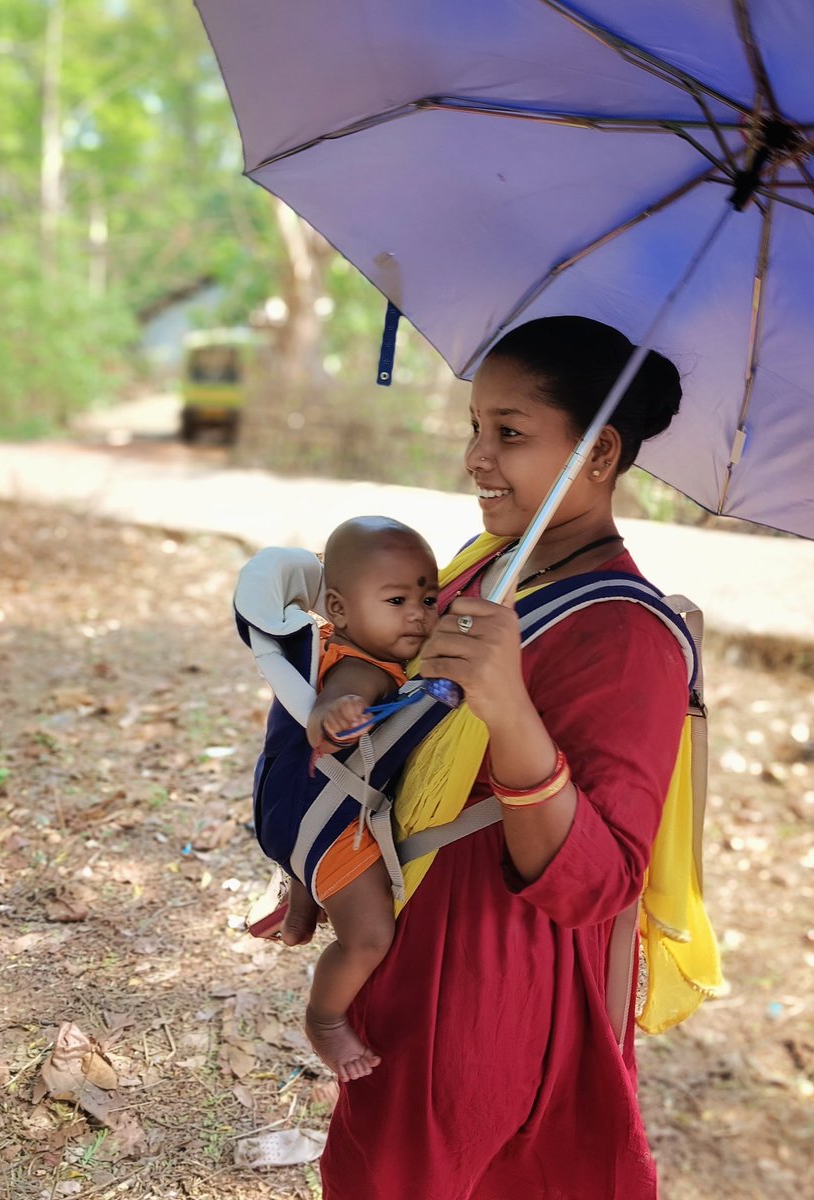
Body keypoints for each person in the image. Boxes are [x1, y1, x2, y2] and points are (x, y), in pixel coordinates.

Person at [319, 317, 689, 1200]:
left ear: (598, 452)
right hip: (409, 938)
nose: (477, 459)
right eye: (476, 427)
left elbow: (602, 884)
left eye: (510, 434)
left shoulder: (626, 634)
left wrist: (511, 710)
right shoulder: (487, 572)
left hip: (488, 985)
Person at [270, 516, 439, 1082]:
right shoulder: (364, 672)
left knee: (319, 847)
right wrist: (335, 716)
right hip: (329, 833)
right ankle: (325, 1017)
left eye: (428, 597)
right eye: (396, 599)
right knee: (369, 937)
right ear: (339, 609)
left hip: (292, 817)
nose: (418, 612)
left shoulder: (321, 647)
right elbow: (334, 706)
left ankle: (299, 912)